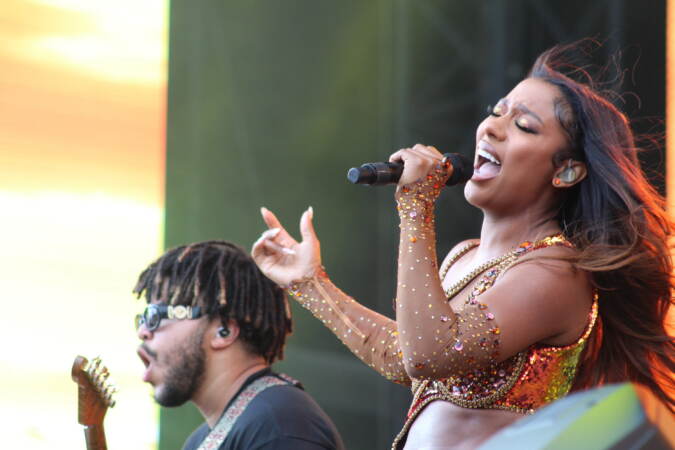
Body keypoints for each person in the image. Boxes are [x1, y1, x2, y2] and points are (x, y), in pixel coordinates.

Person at [251, 43, 675, 449]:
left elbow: (431, 355)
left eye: (523, 125)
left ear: (565, 172)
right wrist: (312, 283)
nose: (490, 127)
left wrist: (417, 206)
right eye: (496, 112)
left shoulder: (558, 271)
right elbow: (408, 357)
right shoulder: (463, 257)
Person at [134, 240, 345, 450]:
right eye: (142, 319)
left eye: (155, 315)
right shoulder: (201, 440)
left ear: (223, 331)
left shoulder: (279, 426)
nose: (143, 331)